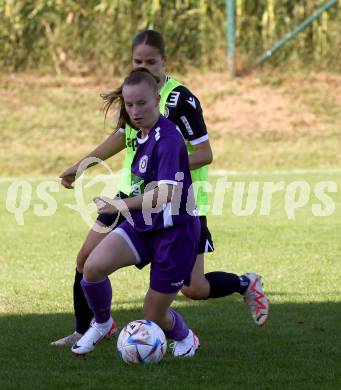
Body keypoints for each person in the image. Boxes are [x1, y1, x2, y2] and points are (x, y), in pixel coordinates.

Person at [51, 29, 268, 347]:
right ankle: (88, 328)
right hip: (131, 196)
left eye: (151, 61)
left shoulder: (181, 100)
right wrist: (81, 165)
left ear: (164, 61)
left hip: (181, 203)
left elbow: (205, 154)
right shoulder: (135, 94)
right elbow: (119, 137)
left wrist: (165, 169)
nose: (145, 66)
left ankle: (244, 283)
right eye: (138, 60)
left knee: (194, 289)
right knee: (86, 260)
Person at [71, 68, 200, 356]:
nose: (135, 110)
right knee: (92, 268)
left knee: (154, 314)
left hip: (174, 232)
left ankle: (185, 337)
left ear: (157, 99)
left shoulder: (167, 139)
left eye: (141, 103)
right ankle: (103, 323)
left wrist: (118, 205)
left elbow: (165, 194)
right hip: (143, 224)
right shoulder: (139, 134)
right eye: (129, 105)